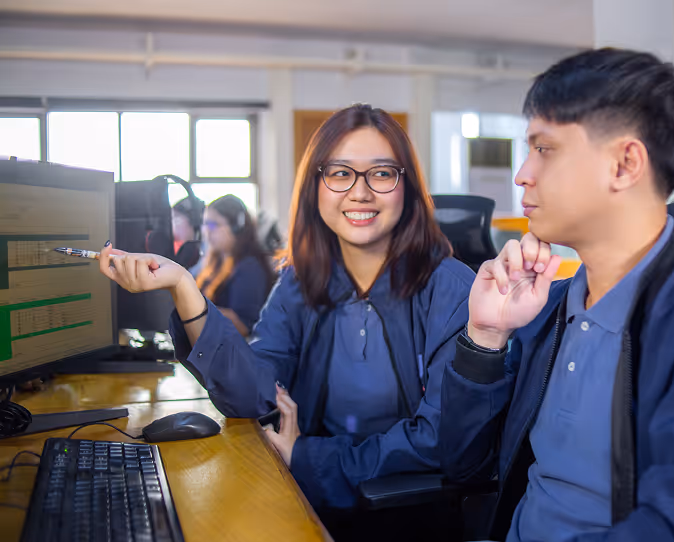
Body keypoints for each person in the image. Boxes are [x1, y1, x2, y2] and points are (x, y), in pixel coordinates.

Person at [440, 48, 674, 542]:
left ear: (624, 164)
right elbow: (464, 467)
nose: (522, 174)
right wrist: (487, 335)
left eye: (544, 149)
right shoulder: (552, 307)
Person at [97, 105, 474, 520]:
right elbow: (253, 393)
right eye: (339, 172)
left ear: (408, 187)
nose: (360, 192)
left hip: (403, 513)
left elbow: (441, 440)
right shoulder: (301, 281)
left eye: (382, 173)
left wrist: (308, 457)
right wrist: (184, 288)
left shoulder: (450, 289)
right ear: (316, 186)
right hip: (304, 495)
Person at [190, 195, 274, 336]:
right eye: (205, 224)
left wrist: (194, 309)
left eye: (213, 224)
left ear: (236, 227)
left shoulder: (249, 267)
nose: (207, 231)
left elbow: (244, 326)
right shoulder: (214, 262)